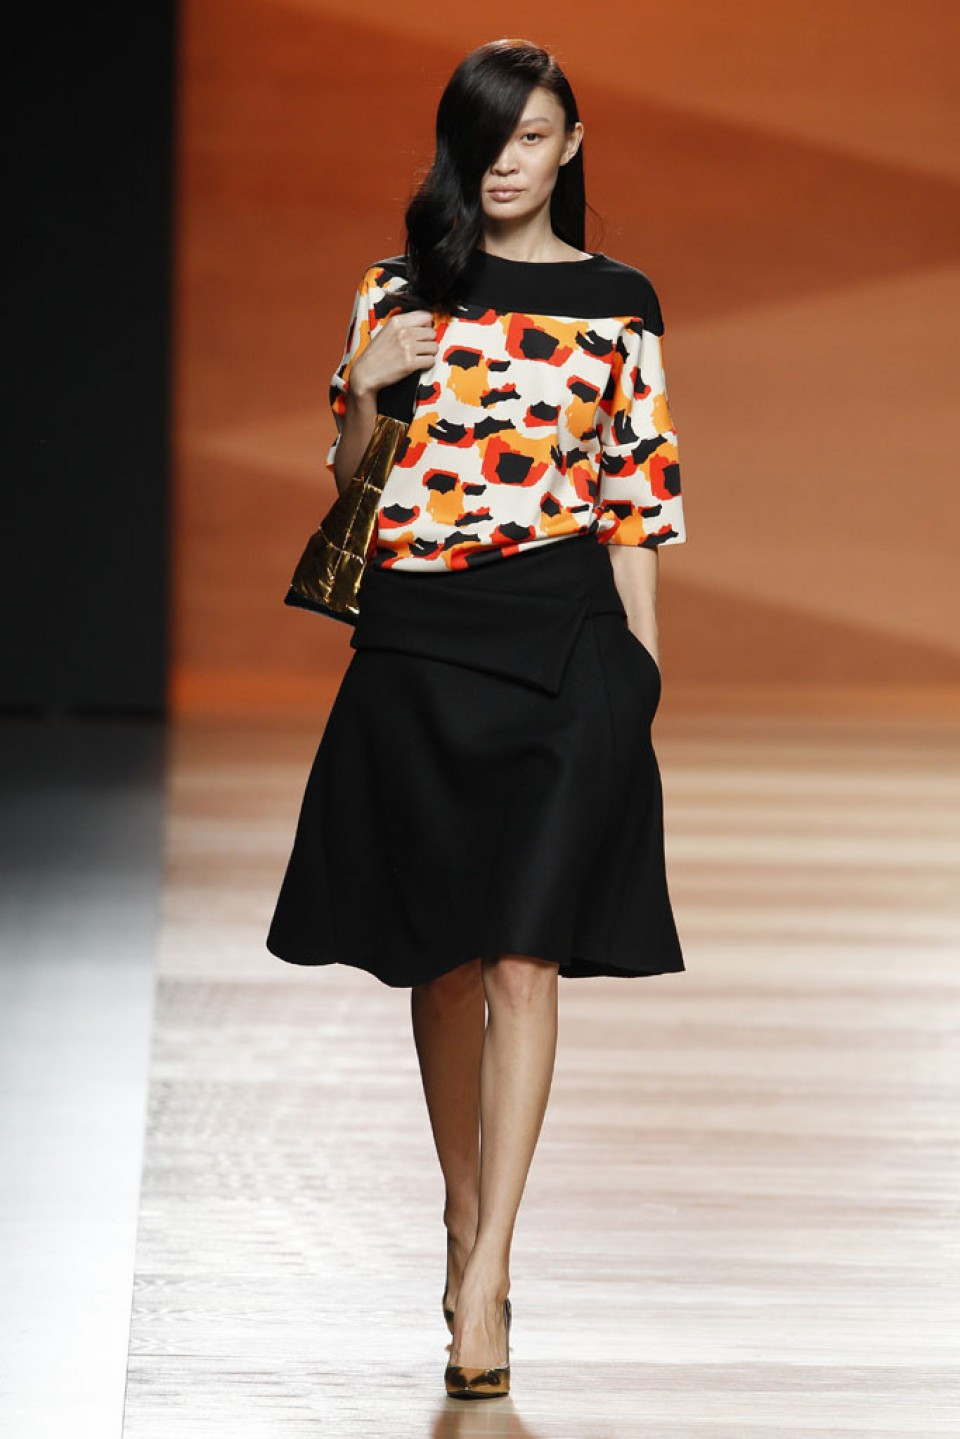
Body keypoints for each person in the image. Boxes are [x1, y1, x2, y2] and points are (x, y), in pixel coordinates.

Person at [266, 37, 687, 1400]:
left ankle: (492, 1267)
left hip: (564, 644)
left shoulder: (619, 303)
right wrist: (367, 383)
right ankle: (461, 1218)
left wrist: (641, 679)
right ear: (462, 147)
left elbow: (636, 496)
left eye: (534, 136)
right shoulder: (398, 293)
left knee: (523, 960)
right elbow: (349, 484)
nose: (509, 161)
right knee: (444, 961)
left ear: (571, 147)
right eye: (489, 137)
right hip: (419, 645)